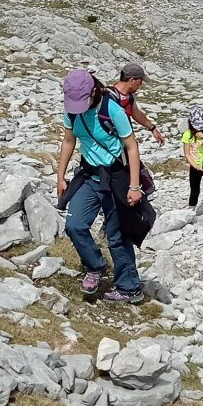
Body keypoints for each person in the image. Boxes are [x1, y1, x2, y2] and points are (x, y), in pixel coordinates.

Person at [56, 68, 146, 302]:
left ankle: (129, 288)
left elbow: (132, 147)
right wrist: (60, 176)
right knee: (74, 225)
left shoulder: (111, 110)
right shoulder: (72, 112)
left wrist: (134, 187)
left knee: (117, 235)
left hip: (116, 177)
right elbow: (68, 141)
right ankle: (95, 266)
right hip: (89, 175)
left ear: (94, 91)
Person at [112, 61, 166, 145]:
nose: (141, 84)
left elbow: (136, 114)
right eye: (140, 80)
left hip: (125, 143)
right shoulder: (108, 96)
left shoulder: (130, 96)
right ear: (132, 80)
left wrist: (153, 128)